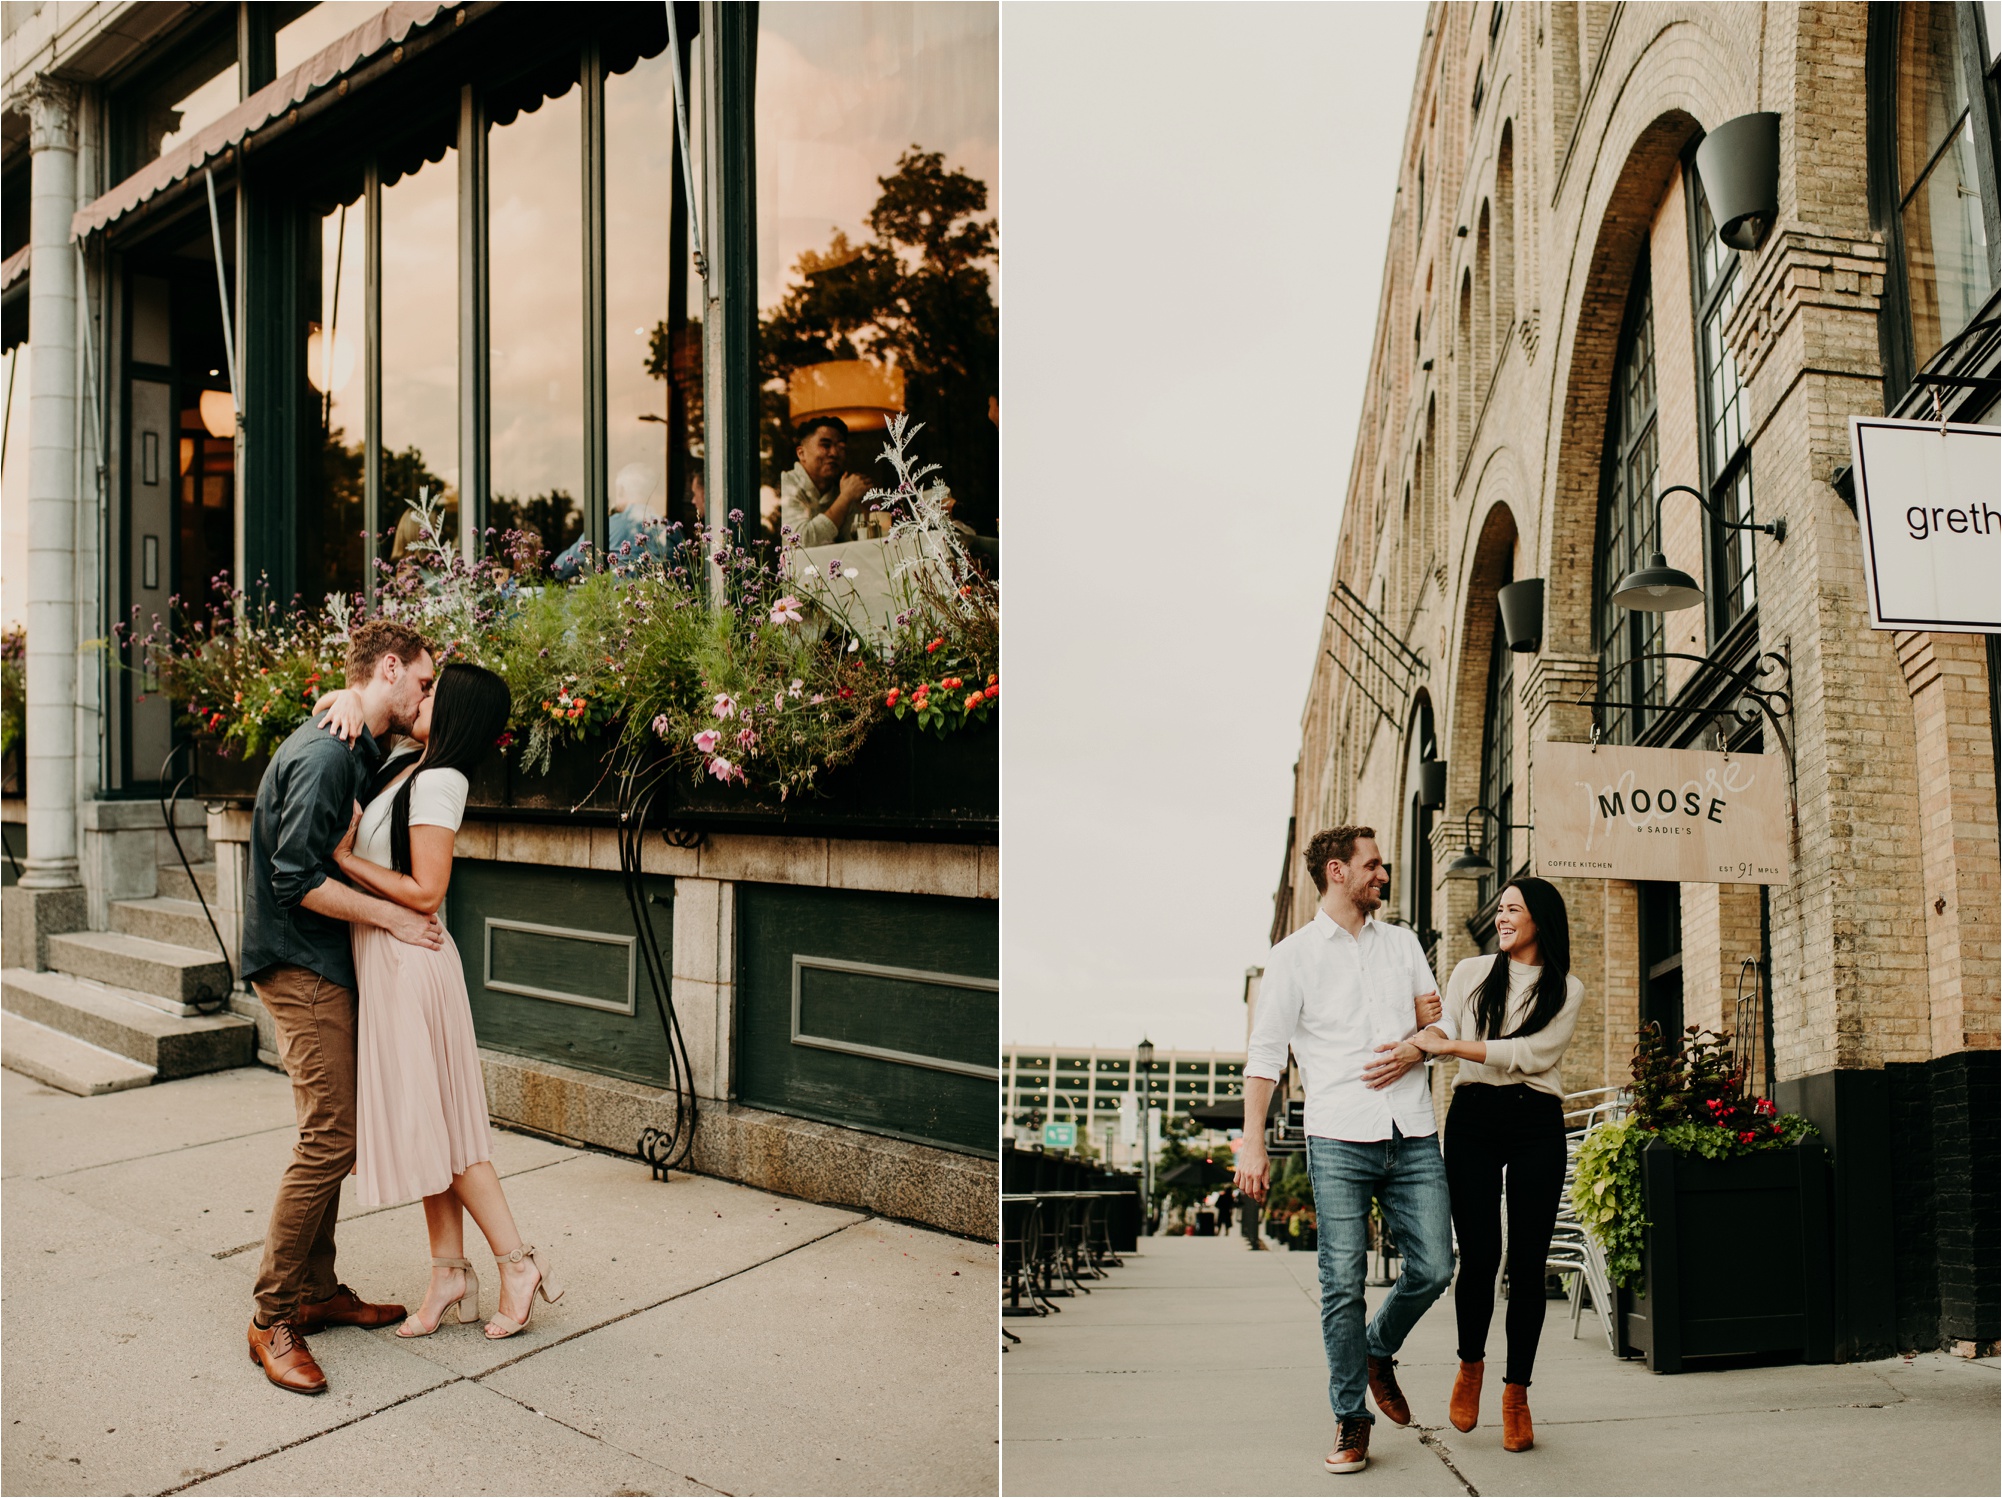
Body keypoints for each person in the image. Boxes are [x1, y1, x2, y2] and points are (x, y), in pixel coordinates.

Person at [319, 664, 568, 1341]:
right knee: (429, 1130)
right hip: (387, 958)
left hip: (410, 961)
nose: (419, 698)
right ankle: (449, 1273)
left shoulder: (440, 780)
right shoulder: (407, 764)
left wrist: (343, 857)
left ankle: (518, 1264)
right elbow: (361, 713)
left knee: (448, 1133)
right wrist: (346, 693)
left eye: (432, 693)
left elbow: (427, 890)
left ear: (456, 709)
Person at [240, 619, 441, 1395]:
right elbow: (294, 879)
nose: (425, 696)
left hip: (318, 961)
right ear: (388, 667)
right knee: (329, 1140)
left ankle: (315, 1290)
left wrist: (355, 699)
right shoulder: (328, 753)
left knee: (337, 1135)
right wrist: (395, 917)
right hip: (301, 965)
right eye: (421, 682)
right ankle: (270, 1318)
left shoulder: (351, 739)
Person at [1235, 825, 1449, 1477]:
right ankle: (1352, 1414)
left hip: (1411, 1130)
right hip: (1336, 1134)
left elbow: (1438, 1024)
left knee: (1436, 1266)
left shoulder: (1405, 944)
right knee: (1340, 1282)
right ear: (1338, 872)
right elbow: (1266, 1056)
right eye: (1374, 866)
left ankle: (1377, 1350)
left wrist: (1418, 1046)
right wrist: (1253, 1143)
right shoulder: (1293, 957)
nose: (1384, 875)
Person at [1408, 878, 1582, 1454]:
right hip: (1474, 1117)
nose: (1502, 918)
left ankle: (1516, 1394)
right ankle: (1470, 1368)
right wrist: (1427, 1035)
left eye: (1513, 909)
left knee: (1529, 1264)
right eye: (1500, 909)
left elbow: (1532, 1055)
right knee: (1480, 1256)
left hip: (1536, 1121)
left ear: (1541, 920)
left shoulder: (1566, 989)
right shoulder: (1469, 972)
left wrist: (1452, 1049)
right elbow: (1447, 1028)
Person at [550, 462, 670, 581]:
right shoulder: (671, 529)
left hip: (618, 598)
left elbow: (560, 568)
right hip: (663, 598)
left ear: (621, 491)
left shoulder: (608, 526)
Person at [780, 417, 872, 547]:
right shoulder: (785, 483)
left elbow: (858, 546)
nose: (834, 453)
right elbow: (800, 542)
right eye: (825, 445)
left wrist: (865, 507)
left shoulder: (841, 489)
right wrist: (845, 498)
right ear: (801, 453)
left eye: (841, 447)